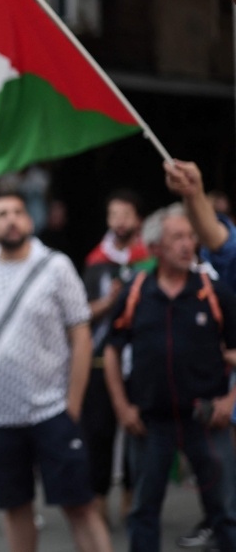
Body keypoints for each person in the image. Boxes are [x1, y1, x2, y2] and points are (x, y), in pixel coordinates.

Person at [0, 193, 111, 552]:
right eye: (2, 214)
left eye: (17, 212)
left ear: (29, 221)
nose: (11, 219)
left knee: (80, 506)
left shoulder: (56, 266)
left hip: (52, 409)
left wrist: (71, 404)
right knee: (15, 508)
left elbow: (81, 332)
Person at [104, 204, 236, 551]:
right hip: (150, 423)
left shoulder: (214, 291)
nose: (187, 244)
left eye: (190, 236)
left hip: (207, 420)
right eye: (177, 236)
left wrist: (230, 401)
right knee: (144, 512)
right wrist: (122, 406)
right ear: (155, 248)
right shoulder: (136, 292)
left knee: (225, 511)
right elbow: (112, 351)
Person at [80, 190, 147, 524]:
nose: (120, 221)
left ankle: (133, 502)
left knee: (140, 430)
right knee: (99, 433)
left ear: (138, 219)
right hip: (99, 362)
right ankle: (99, 502)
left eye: (126, 214)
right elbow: (80, 313)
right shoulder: (95, 264)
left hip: (142, 362)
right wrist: (109, 302)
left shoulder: (151, 259)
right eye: (114, 214)